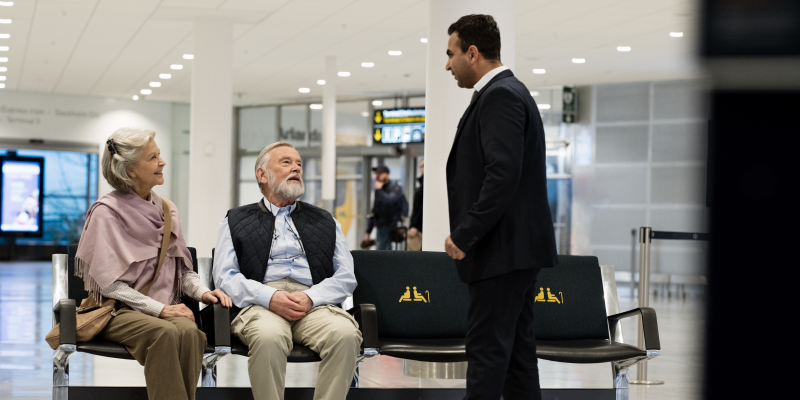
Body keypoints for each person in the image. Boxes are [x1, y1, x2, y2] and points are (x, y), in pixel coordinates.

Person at [442, 15, 558, 400]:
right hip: (513, 251)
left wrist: (466, 232)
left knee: (488, 355)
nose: (447, 64)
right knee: (518, 357)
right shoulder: (510, 92)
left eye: (451, 53)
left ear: (472, 53)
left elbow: (502, 174)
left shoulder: (501, 95)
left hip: (500, 250)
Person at [76, 128, 232, 400]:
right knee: (164, 334)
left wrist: (203, 293)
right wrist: (160, 310)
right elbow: (109, 284)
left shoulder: (167, 210)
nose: (162, 162)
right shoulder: (106, 212)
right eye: (153, 157)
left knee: (192, 334)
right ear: (131, 170)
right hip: (117, 311)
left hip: (162, 309)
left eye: (159, 155)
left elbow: (182, 271)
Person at [213, 141, 361, 400]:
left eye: (299, 164)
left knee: (346, 334)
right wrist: (269, 297)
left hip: (313, 302)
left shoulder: (326, 221)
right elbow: (225, 276)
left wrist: (311, 297)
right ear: (262, 175)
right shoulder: (235, 220)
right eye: (286, 162)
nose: (296, 168)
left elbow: (346, 276)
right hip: (259, 303)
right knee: (268, 337)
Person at [363, 165, 408, 250]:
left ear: (387, 175)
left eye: (380, 173)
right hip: (381, 228)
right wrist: (368, 232)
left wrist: (379, 190)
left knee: (386, 257)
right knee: (381, 255)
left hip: (393, 227)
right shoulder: (379, 190)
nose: (377, 176)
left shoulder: (395, 188)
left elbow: (389, 202)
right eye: (376, 173)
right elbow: (375, 212)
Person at [407, 160, 424, 251]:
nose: (422, 168)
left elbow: (421, 208)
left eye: (424, 165)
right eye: (421, 166)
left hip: (420, 229)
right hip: (417, 227)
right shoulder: (421, 184)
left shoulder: (426, 185)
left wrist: (415, 226)